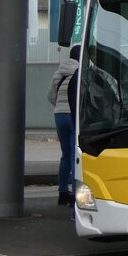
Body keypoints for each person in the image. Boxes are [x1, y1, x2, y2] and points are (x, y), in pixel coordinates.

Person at [46, 45, 80, 206]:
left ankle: (62, 193)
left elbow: (50, 96)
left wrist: (60, 106)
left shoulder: (59, 73)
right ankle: (75, 194)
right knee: (75, 156)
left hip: (59, 115)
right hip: (73, 115)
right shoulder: (80, 72)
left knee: (65, 156)